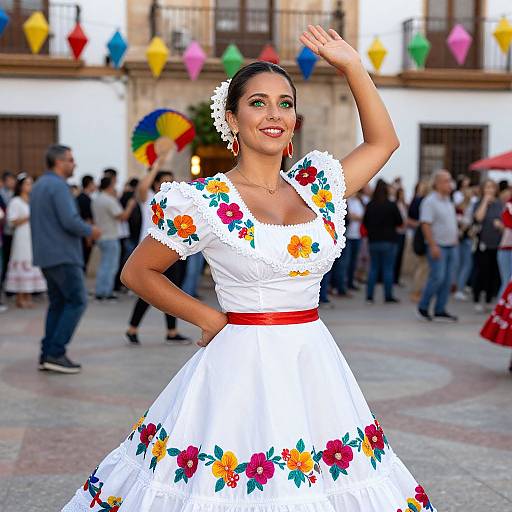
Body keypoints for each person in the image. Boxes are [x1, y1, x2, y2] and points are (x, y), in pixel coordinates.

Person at [63, 28, 437, 512]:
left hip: (313, 363)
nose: (274, 114)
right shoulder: (205, 201)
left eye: (285, 103)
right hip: (240, 365)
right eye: (258, 103)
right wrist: (209, 318)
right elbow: (138, 273)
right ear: (232, 118)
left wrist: (351, 66)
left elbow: (383, 141)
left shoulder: (316, 185)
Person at [31, 144, 101, 374]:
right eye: (71, 160)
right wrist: (91, 231)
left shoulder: (40, 184)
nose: (74, 164)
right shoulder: (59, 186)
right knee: (77, 300)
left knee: (58, 303)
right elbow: (69, 220)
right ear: (59, 162)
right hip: (63, 254)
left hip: (46, 255)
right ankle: (56, 352)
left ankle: (47, 354)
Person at [126, 164, 191, 345]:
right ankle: (133, 327)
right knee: (147, 293)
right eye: (165, 182)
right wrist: (159, 162)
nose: (169, 184)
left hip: (172, 253)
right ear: (155, 184)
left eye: (171, 181)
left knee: (172, 292)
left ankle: (172, 331)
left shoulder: (176, 202)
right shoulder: (149, 198)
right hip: (150, 255)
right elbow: (141, 187)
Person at [417, 170, 458, 322]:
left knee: (447, 280)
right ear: (438, 183)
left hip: (451, 245)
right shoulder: (430, 201)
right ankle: (423, 305)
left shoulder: (448, 200)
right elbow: (426, 224)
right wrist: (433, 245)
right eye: (447, 180)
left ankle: (440, 309)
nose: (450, 184)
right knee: (437, 277)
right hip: (438, 245)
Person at [4, 174, 47, 307]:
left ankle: (28, 296)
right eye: (27, 184)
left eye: (31, 183)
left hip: (33, 235)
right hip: (21, 235)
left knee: (31, 261)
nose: (30, 186)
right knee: (22, 261)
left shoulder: (33, 200)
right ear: (21, 186)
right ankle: (20, 296)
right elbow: (11, 221)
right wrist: (28, 217)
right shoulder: (15, 201)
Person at [92, 176, 136, 301]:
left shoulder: (97, 199)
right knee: (110, 266)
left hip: (101, 235)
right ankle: (105, 292)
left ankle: (102, 290)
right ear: (110, 185)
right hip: (110, 236)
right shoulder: (108, 200)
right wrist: (130, 206)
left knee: (104, 265)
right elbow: (122, 216)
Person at [363, 179, 403, 303]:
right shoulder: (391, 205)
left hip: (373, 241)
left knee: (373, 268)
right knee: (388, 269)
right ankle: (388, 295)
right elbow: (400, 221)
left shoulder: (370, 204)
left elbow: (365, 222)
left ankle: (369, 296)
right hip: (389, 241)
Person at [471, 179, 503, 312]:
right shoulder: (478, 203)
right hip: (482, 243)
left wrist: (500, 225)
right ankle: (477, 298)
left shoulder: (500, 204)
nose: (490, 190)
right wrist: (485, 202)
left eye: (492, 187)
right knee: (481, 271)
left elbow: (505, 222)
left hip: (497, 242)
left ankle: (489, 299)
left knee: (493, 272)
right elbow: (478, 218)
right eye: (487, 187)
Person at [408, 180, 429, 302]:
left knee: (420, 266)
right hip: (421, 236)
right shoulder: (423, 202)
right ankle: (417, 291)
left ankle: (417, 290)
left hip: (418, 235)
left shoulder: (416, 200)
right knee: (422, 267)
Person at [76, 175, 96, 272]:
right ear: (89, 184)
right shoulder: (85, 200)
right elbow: (87, 219)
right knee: (84, 261)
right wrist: (89, 237)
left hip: (81, 234)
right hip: (85, 235)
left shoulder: (80, 197)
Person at [0, 170, 16, 288]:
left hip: (14, 231)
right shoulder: (1, 194)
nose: (12, 182)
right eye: (10, 180)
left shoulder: (15, 194)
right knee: (5, 259)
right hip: (4, 230)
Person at [393, 186, 408, 285]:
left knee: (400, 256)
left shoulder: (404, 205)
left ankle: (397, 278)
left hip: (403, 232)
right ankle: (393, 278)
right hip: (397, 232)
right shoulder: (395, 205)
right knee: (396, 255)